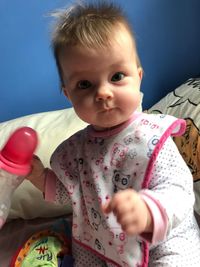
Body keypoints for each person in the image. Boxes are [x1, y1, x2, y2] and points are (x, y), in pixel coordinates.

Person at [27, 1, 200, 266]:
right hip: (102, 244)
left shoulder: (150, 137)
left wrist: (147, 210)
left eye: (117, 76)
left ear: (138, 77)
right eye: (84, 84)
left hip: (161, 239)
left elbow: (178, 191)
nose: (103, 93)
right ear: (68, 94)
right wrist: (39, 177)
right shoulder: (77, 150)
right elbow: (71, 193)